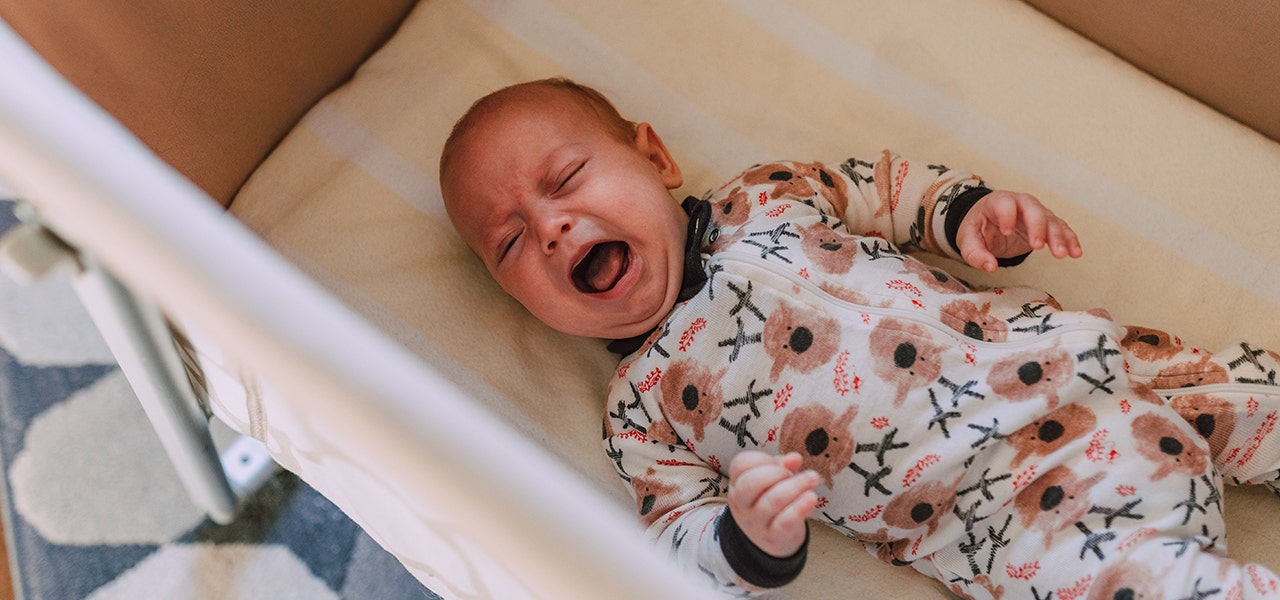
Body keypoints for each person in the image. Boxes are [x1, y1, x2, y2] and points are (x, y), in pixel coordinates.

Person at [440, 78, 1280, 599]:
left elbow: (885, 190)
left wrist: (973, 214)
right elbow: (676, 544)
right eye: (510, 242)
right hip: (1004, 518)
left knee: (1259, 393)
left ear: (653, 157)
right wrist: (743, 539)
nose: (550, 227)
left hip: (1092, 365)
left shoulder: (766, 196)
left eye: (566, 179)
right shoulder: (641, 414)